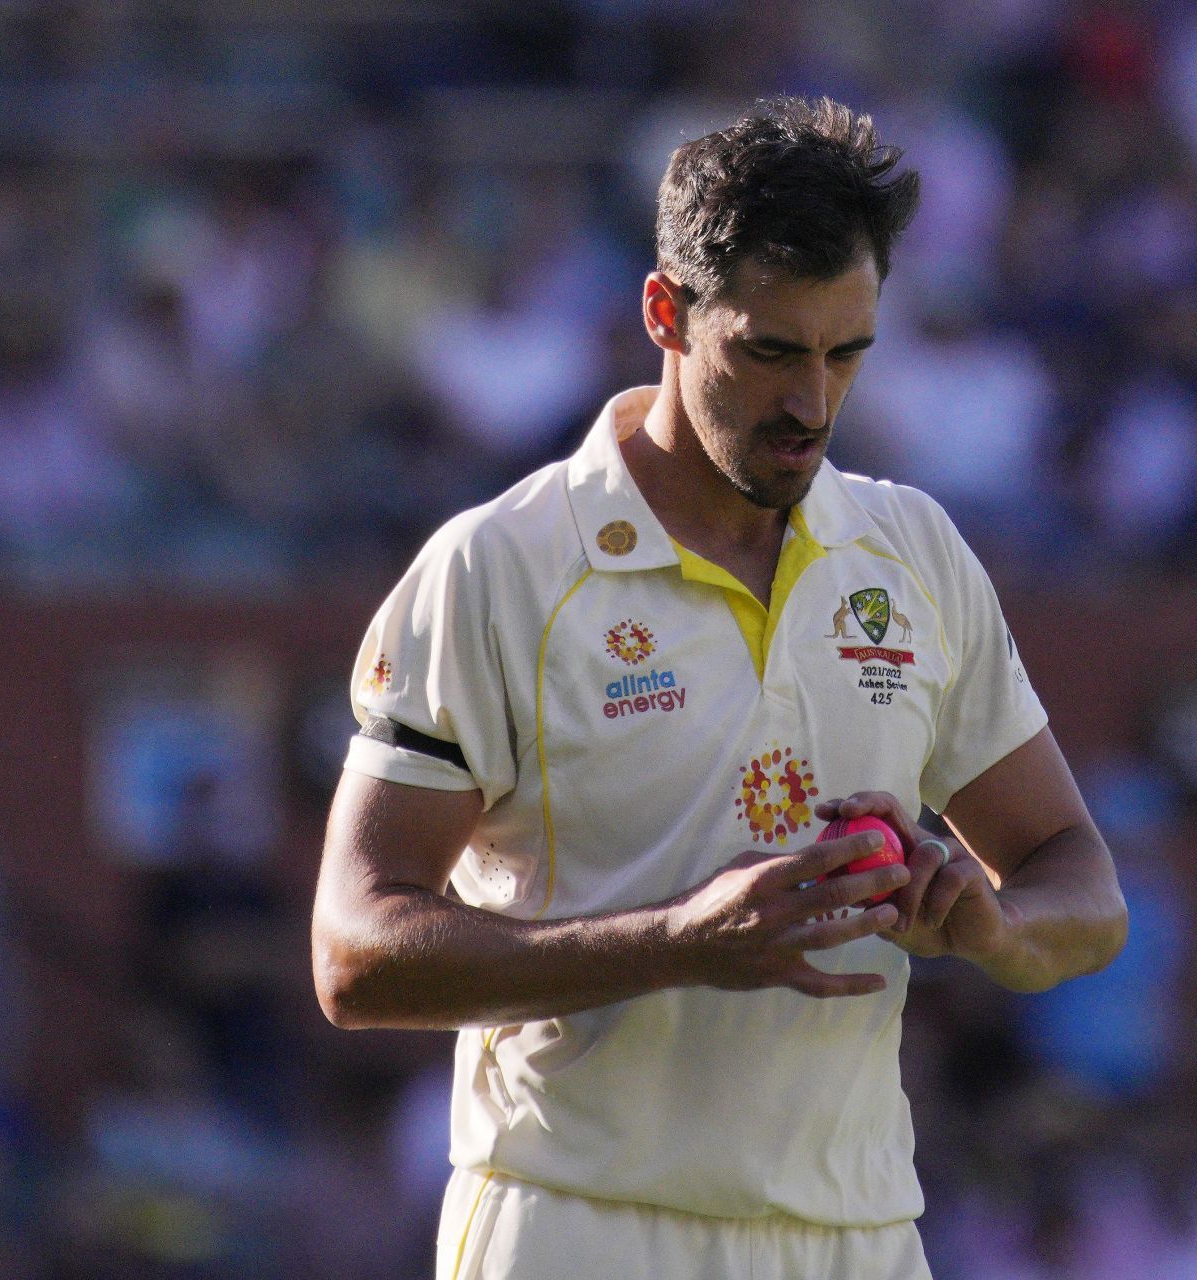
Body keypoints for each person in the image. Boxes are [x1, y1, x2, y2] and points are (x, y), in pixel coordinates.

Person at [310, 96, 1129, 1280]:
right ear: (667, 313)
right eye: (770, 351)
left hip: (856, 1236)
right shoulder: (499, 567)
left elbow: (1082, 885)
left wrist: (990, 924)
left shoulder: (915, 552)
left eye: (847, 352)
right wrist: (680, 939)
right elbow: (355, 951)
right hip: (578, 1221)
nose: (812, 403)